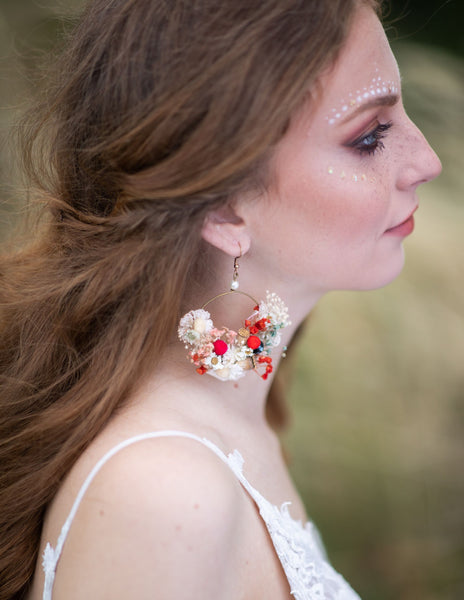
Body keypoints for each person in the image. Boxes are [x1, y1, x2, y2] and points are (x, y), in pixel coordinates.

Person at [0, 0, 441, 598]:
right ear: (225, 207)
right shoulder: (165, 490)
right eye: (369, 136)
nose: (426, 161)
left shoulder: (234, 405)